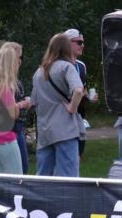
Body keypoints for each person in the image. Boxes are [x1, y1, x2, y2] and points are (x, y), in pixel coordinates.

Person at [30, 33, 85, 177]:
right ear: (66, 48)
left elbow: (34, 102)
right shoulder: (67, 67)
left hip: (45, 132)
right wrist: (72, 107)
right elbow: (78, 90)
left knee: (43, 178)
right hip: (65, 130)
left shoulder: (39, 72)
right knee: (69, 178)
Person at [0, 42, 30, 174]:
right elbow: (13, 113)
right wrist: (22, 104)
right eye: (19, 58)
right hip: (5, 138)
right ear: (11, 62)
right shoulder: (5, 85)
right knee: (17, 179)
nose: (20, 62)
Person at [63, 28, 95, 157]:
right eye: (79, 42)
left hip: (79, 116)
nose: (82, 46)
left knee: (78, 153)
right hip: (63, 116)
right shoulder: (58, 65)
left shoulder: (81, 66)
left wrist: (89, 97)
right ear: (67, 43)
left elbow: (82, 89)